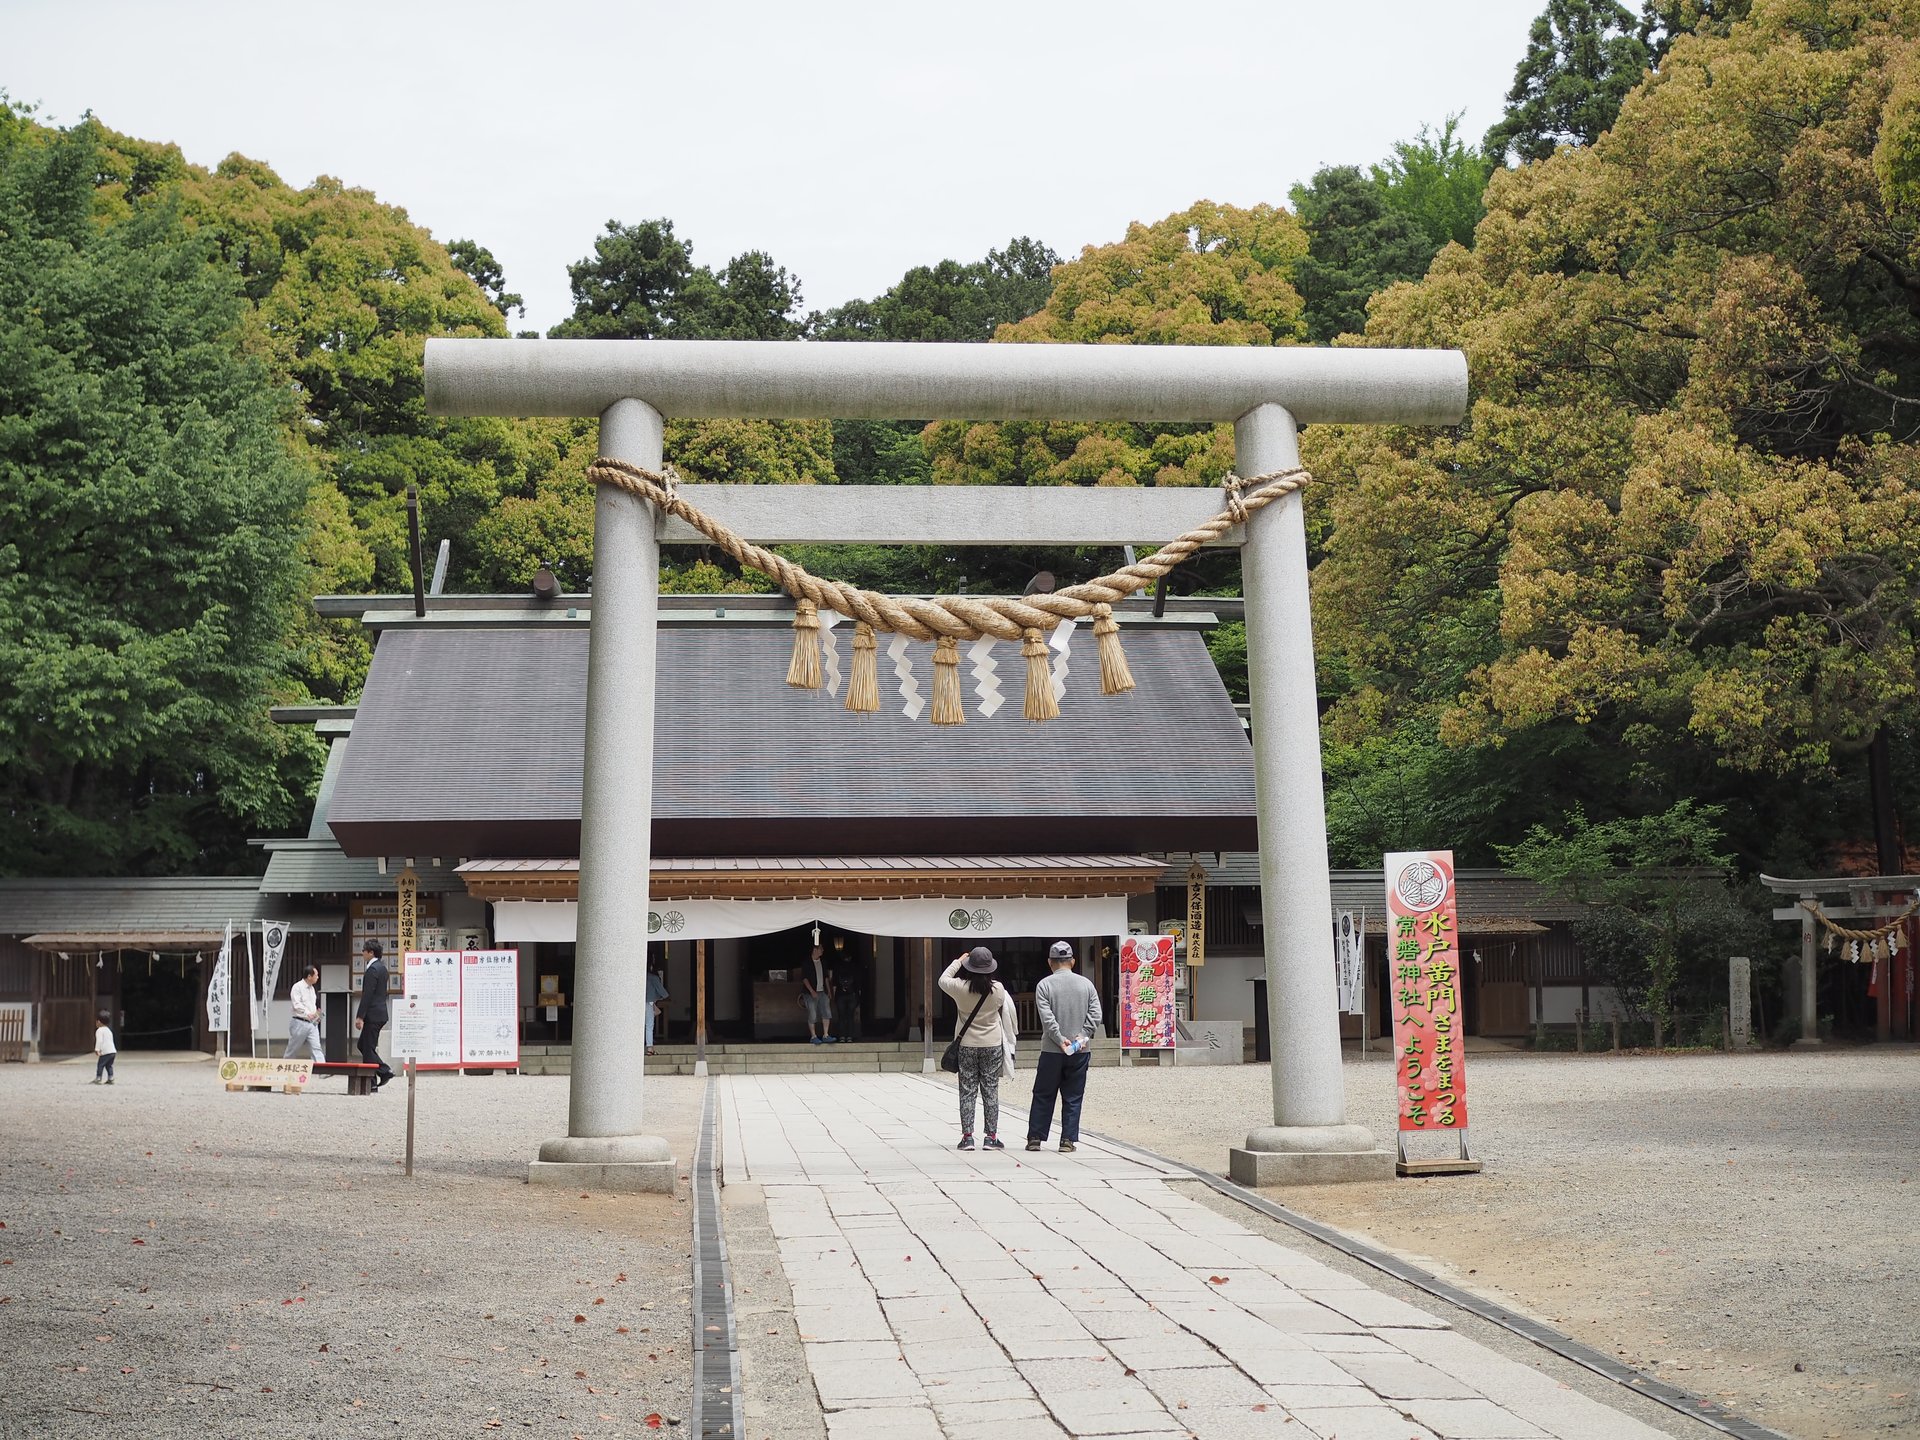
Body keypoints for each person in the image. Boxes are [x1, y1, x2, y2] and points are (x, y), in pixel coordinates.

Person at [1027, 940, 1102, 1153]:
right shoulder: (1086, 984)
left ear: (1050, 962)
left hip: (1051, 1049)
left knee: (1043, 1093)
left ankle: (1035, 1137)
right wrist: (1082, 1035)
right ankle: (1067, 1140)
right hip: (1080, 1050)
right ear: (1073, 961)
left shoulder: (1044, 985)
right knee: (1073, 1095)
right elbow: (1096, 1014)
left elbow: (1047, 1018)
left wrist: (1060, 1039)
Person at [939, 946, 1016, 1151]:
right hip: (991, 1043)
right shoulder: (998, 989)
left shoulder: (959, 987)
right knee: (990, 1089)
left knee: (967, 1090)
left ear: (969, 967)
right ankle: (991, 1137)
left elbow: (942, 979)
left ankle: (967, 1137)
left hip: (967, 1044)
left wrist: (958, 960)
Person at [354, 941, 395, 1090]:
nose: (362, 953)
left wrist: (360, 1017)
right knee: (364, 1046)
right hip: (380, 1013)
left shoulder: (372, 970)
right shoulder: (382, 968)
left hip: (373, 1014)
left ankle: (384, 1071)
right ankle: (372, 1083)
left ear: (371, 952)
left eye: (364, 950)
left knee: (367, 1047)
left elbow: (368, 995)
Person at [285, 965, 324, 1064]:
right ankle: (285, 1067)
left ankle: (323, 1069)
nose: (317, 977)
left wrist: (316, 1015)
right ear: (309, 976)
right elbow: (296, 1004)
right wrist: (308, 1014)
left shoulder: (312, 989)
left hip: (312, 1023)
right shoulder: (297, 987)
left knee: (316, 1047)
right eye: (316, 975)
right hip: (299, 1022)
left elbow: (312, 1005)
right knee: (293, 1048)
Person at [800, 944, 833, 1045]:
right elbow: (804, 978)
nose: (822, 951)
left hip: (822, 991)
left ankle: (826, 1035)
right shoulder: (807, 962)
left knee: (826, 1012)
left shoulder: (823, 962)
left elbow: (826, 977)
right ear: (815, 950)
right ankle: (813, 1036)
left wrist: (829, 991)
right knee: (813, 1014)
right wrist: (811, 991)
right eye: (820, 949)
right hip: (810, 993)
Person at [830, 945, 862, 1043]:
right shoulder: (855, 966)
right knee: (850, 1016)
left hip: (840, 994)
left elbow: (834, 983)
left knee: (841, 1016)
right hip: (852, 994)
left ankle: (842, 1037)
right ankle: (850, 1037)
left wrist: (834, 996)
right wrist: (858, 996)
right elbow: (858, 983)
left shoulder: (837, 967)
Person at [644, 958, 669, 1055]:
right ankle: (650, 1048)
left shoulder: (636, 976)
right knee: (649, 1025)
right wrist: (658, 998)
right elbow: (664, 993)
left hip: (636, 1003)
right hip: (649, 1003)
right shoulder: (653, 978)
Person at [92, 1010, 116, 1086]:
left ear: (98, 1021)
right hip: (112, 1051)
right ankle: (110, 1078)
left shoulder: (99, 1030)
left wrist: (97, 1049)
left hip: (105, 1051)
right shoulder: (109, 1030)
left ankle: (98, 1078)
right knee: (109, 1065)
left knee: (100, 1065)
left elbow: (99, 1041)